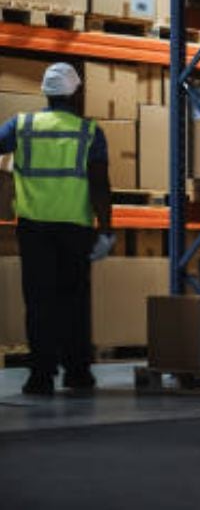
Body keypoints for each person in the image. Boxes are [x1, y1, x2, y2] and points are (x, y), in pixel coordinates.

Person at [1, 63, 115, 397]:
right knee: (74, 302)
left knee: (39, 302)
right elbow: (100, 185)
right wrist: (107, 229)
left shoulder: (21, 125)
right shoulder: (89, 132)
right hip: (75, 229)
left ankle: (41, 377)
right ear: (76, 93)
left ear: (46, 93)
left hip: (34, 229)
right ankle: (78, 373)